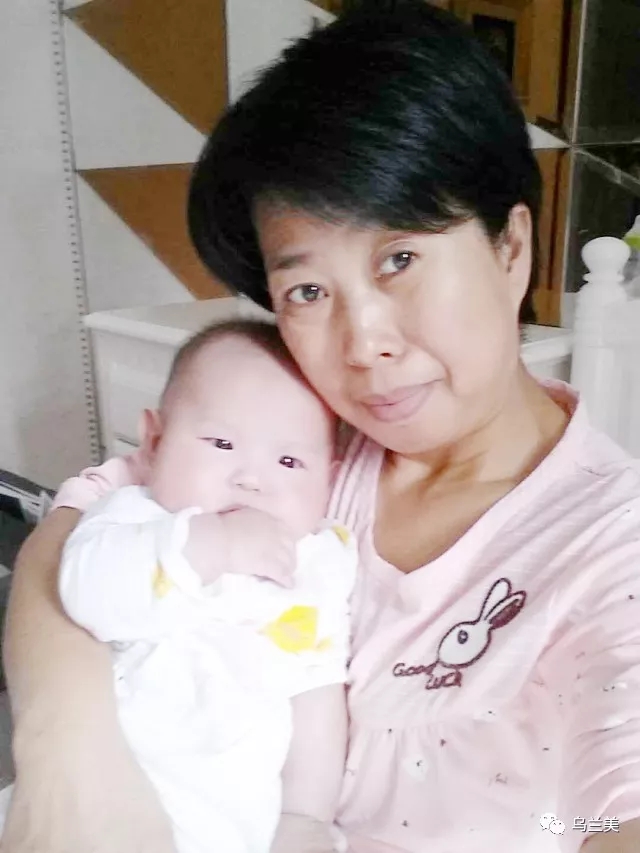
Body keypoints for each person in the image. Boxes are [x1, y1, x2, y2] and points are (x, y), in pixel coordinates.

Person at [3, 1, 640, 852]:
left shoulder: (612, 543)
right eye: (308, 290)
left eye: (400, 259)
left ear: (510, 247)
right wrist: (64, 756)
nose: (364, 343)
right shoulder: (304, 441)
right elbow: (73, 524)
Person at [5, 319, 356, 853]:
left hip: (233, 825)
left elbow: (318, 693)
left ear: (329, 478)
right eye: (222, 442)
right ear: (155, 441)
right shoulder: (132, 517)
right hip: (93, 801)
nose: (251, 479)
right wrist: (208, 544)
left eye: (290, 461)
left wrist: (305, 816)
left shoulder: (317, 561)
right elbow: (87, 595)